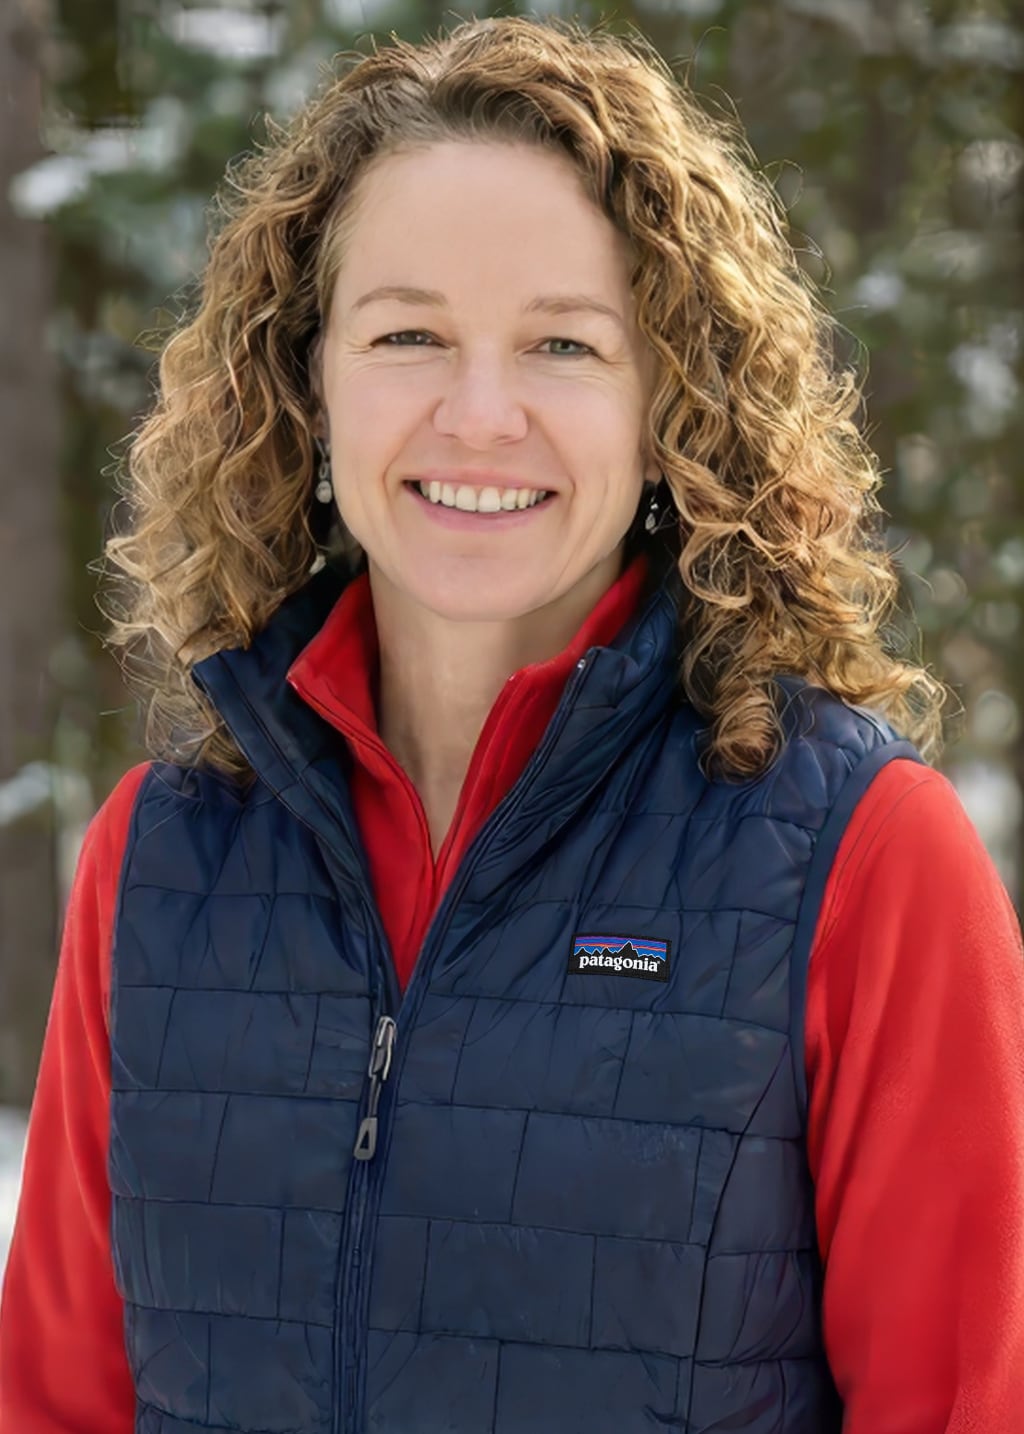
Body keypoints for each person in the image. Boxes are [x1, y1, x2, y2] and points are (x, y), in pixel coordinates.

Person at [2, 14, 1022, 1433]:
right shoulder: (159, 864)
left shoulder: (863, 859)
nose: (480, 416)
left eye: (562, 343)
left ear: (669, 397)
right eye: (409, 333)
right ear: (307, 378)